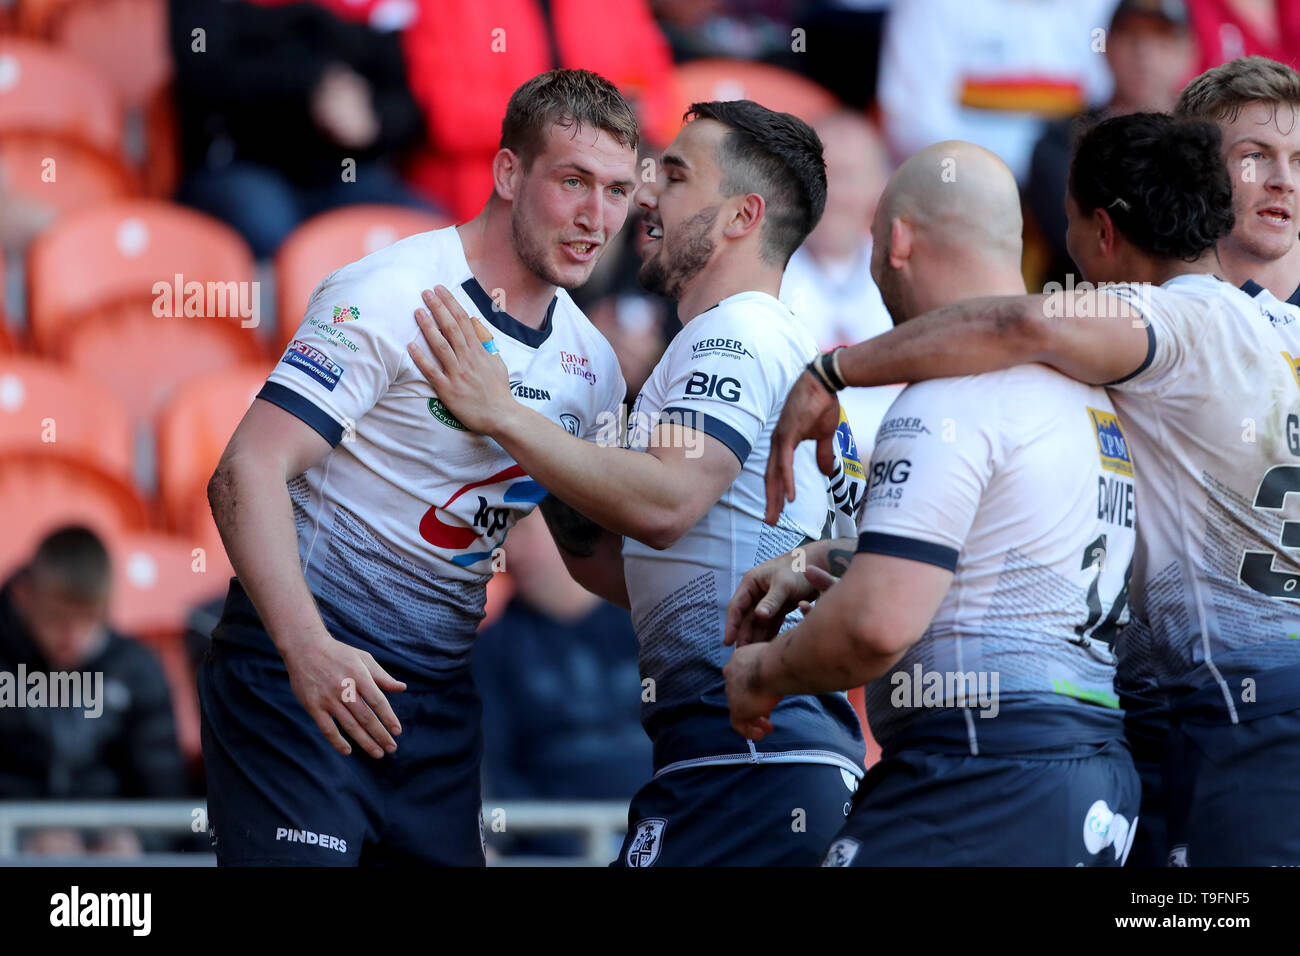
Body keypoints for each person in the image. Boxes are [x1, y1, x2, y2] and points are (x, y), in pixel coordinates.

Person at [768, 111, 1300, 866]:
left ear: (1103, 232)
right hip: (1183, 726)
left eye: (1072, 230)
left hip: (1243, 719)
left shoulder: (1170, 325)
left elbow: (1020, 324)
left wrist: (834, 371)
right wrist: (831, 555)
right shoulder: (1282, 330)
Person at [409, 99, 868, 866]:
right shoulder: (768, 339)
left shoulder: (736, 333)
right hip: (751, 761)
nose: (645, 195)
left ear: (740, 217)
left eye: (676, 176)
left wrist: (505, 415)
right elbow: (625, 568)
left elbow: (666, 504)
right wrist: (549, 415)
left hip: (749, 766)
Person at [199, 69, 638, 866]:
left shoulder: (594, 368)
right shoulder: (394, 290)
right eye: (573, 181)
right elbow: (244, 472)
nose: (595, 217)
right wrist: (306, 649)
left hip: (435, 707)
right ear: (508, 173)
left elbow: (589, 556)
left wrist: (726, 613)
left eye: (616, 191)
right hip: (300, 678)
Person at [724, 141, 1141, 865]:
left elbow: (877, 626)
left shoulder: (945, 399)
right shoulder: (1090, 394)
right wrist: (829, 557)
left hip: (980, 773)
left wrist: (765, 675)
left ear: (898, 241)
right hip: (1090, 774)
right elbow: (993, 563)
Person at [473, 511, 650, 860]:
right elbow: (492, 770)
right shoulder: (490, 650)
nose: (506, 548)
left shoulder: (647, 622)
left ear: (565, 527)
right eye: (499, 532)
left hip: (664, 830)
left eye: (519, 528)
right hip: (547, 846)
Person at [0, 527, 188, 854]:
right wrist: (20, 843)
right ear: (24, 595)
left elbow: (168, 798)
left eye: (88, 619)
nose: (71, 636)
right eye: (56, 618)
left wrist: (137, 842)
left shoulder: (136, 671)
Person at [1027, 0, 1195, 284]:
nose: (1144, 53)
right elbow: (1073, 237)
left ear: (1188, 52)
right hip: (1081, 303)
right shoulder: (1061, 138)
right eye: (1131, 37)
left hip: (1181, 308)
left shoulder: (1208, 142)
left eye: (1161, 39)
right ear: (1106, 48)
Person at [779, 110, 902, 443]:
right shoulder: (762, 271)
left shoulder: (906, 273)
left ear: (880, 187)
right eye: (821, 176)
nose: (833, 195)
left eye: (848, 176)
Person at [1176, 56, 1300, 304]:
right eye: (1255, 155)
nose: (1284, 181)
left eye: (1298, 161)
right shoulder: (1149, 294)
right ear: (1196, 168)